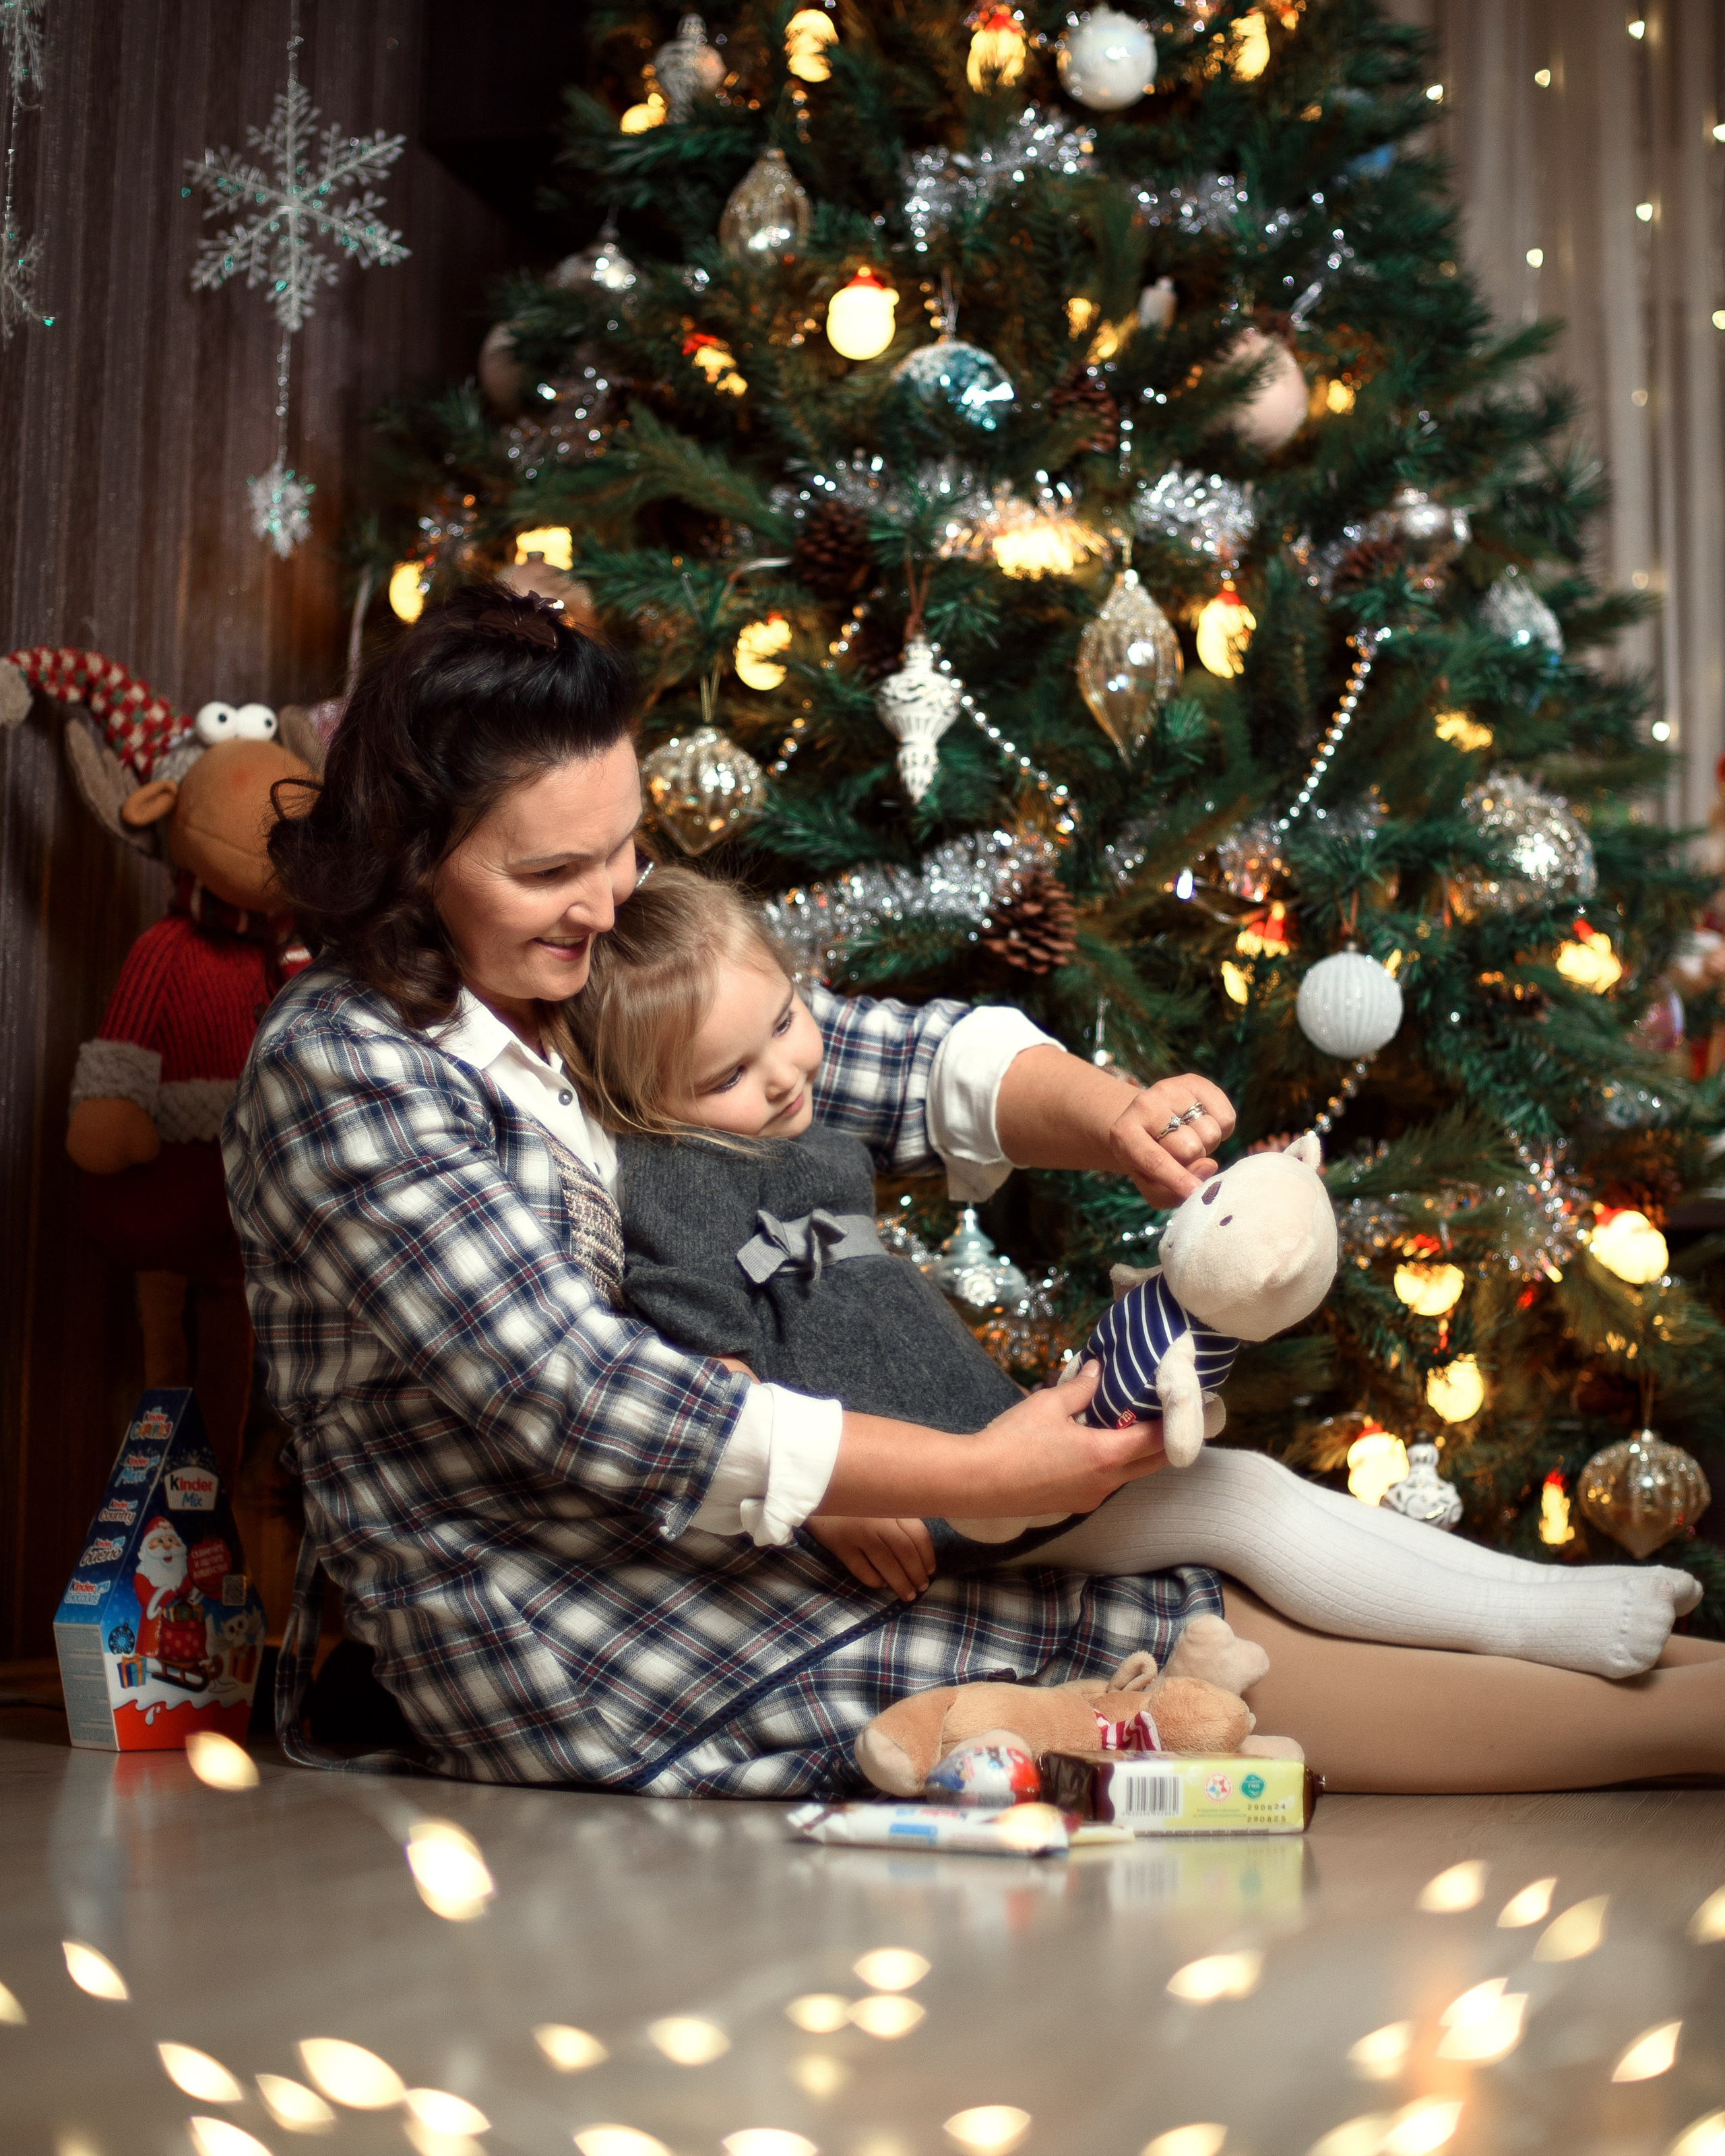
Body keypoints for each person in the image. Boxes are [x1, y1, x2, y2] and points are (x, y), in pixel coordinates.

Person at [227, 587, 1725, 1798]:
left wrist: (1114, 1115)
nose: (610, 900)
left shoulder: (557, 979)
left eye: (629, 848)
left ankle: (1685, 1678)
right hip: (564, 1619)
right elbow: (576, 1394)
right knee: (1189, 1635)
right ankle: (1690, 1726)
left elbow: (876, 1057)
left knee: (1207, 1558)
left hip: (720, 1532)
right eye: (558, 867)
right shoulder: (347, 1067)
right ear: (413, 860)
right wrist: (960, 1477)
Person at [564, 863, 1703, 1682]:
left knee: (1243, 1496)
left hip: (977, 1439)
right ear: (636, 1096)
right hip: (941, 1491)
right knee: (1243, 1504)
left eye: (783, 1023)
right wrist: (829, 1500)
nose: (778, 1076)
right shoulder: (671, 1181)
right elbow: (702, 1384)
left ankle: (1549, 1604)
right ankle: (1555, 1626)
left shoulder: (791, 1130)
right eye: (725, 1075)